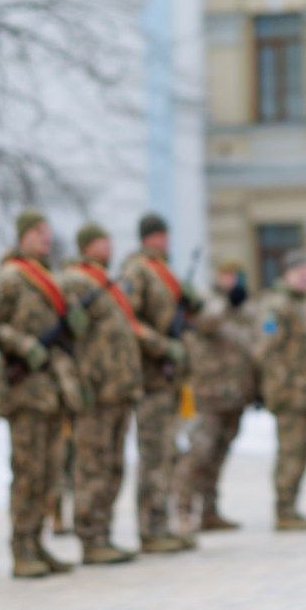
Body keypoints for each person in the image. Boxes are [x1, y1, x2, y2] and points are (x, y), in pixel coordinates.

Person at [0, 210, 82, 578]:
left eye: (47, 232)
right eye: (38, 233)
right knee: (27, 471)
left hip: (52, 389)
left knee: (48, 473)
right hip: (25, 389)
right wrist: (25, 345)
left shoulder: (52, 278)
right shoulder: (11, 277)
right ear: (23, 236)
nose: (45, 238)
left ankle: (38, 542)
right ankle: (21, 547)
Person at [65, 223, 147, 565]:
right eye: (102, 241)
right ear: (87, 245)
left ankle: (104, 532)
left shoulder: (107, 282)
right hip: (96, 390)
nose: (108, 245)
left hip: (118, 389)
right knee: (92, 465)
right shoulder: (75, 280)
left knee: (113, 465)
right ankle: (89, 536)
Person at [119, 214, 194, 553]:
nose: (163, 241)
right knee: (153, 454)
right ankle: (150, 528)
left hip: (169, 379)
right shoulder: (137, 271)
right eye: (157, 235)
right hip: (150, 377)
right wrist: (162, 346)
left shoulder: (165, 271)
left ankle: (160, 524)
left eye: (165, 234)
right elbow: (129, 320)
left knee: (166, 453)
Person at [178, 260, 259, 531]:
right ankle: (183, 510)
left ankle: (209, 511)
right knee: (199, 454)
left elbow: (254, 345)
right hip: (209, 394)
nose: (231, 280)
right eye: (226, 275)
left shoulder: (245, 307)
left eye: (235, 275)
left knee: (219, 455)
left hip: (236, 394)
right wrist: (228, 303)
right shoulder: (207, 301)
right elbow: (207, 323)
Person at [256, 252, 306, 530]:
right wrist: (282, 385)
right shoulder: (277, 306)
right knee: (291, 452)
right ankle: (284, 509)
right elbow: (266, 350)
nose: (304, 275)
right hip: (291, 395)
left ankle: (296, 506)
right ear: (286, 274)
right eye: (298, 270)